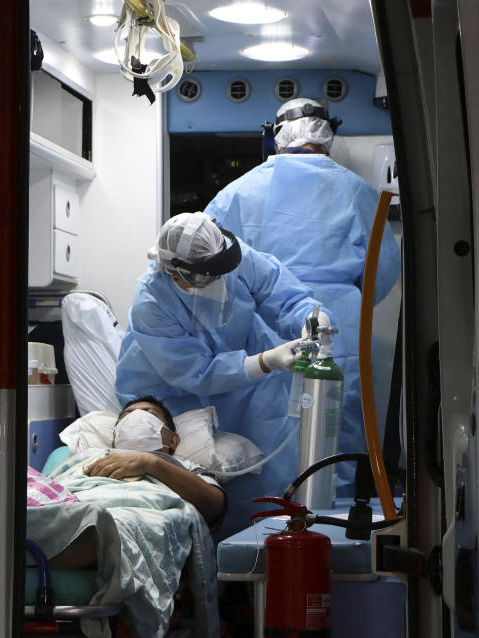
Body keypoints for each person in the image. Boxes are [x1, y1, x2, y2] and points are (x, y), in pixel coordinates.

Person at [203, 97, 401, 498]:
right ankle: (331, 528)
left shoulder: (234, 195)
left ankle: (261, 525)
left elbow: (207, 272)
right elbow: (383, 271)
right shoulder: (359, 193)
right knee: (335, 431)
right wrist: (344, 300)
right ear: (328, 135)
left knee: (262, 429)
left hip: (262, 333)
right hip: (337, 331)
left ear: (275, 136)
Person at [115, 212, 328, 539]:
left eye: (222, 272)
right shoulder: (152, 303)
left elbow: (281, 294)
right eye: (206, 277)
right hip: (173, 389)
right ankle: (219, 561)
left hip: (247, 374)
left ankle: (270, 544)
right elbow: (195, 371)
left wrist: (310, 318)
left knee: (267, 466)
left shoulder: (232, 256)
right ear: (175, 272)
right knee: (199, 480)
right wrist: (267, 361)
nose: (219, 283)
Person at [50, 395, 227, 569]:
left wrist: (150, 463)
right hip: (78, 508)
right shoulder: (89, 458)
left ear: (173, 440)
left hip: (126, 517)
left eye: (147, 412)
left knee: (105, 529)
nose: (136, 416)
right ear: (113, 440)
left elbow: (215, 505)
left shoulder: (186, 469)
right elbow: (56, 487)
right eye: (127, 414)